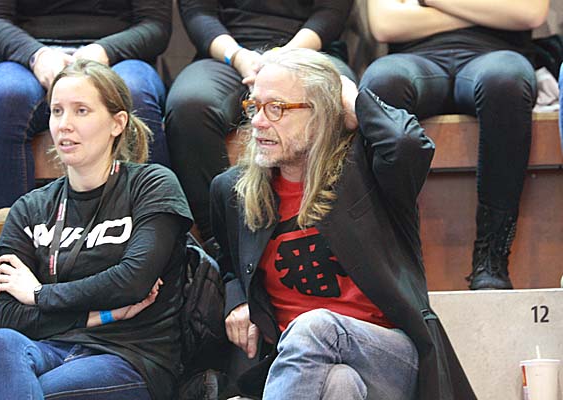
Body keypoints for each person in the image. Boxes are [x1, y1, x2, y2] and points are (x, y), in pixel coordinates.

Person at [210, 48, 475, 400]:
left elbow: (408, 143)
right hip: (301, 365)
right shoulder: (233, 191)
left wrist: (351, 98)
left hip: (388, 357)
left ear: (321, 114)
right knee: (339, 383)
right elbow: (228, 261)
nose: (258, 122)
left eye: (276, 108)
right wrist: (238, 299)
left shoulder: (367, 173)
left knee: (315, 326)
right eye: (254, 107)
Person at [0, 60, 193, 399]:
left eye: (81, 111)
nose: (64, 125)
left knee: (34, 391)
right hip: (51, 349)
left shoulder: (152, 185)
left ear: (117, 123)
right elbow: (12, 315)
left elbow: (133, 281)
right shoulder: (29, 208)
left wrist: (40, 295)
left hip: (130, 355)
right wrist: (101, 314)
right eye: (57, 111)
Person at [0, 0, 172, 302]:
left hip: (119, 54)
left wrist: (104, 51)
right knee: (4, 96)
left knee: (134, 93)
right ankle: (5, 262)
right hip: (29, 56)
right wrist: (37, 55)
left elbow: (156, 25)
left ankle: (149, 254)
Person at [360, 0, 549, 290]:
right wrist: (489, 12)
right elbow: (385, 25)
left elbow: (529, 13)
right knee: (382, 82)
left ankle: (492, 255)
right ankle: (396, 256)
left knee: (505, 80)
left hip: (496, 55)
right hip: (414, 59)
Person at [165, 0, 356, 243]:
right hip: (227, 55)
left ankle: (330, 230)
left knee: (338, 100)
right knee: (189, 105)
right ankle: (219, 240)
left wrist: (282, 60)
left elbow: (331, 12)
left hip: (309, 52)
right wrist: (238, 57)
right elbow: (198, 12)